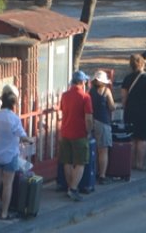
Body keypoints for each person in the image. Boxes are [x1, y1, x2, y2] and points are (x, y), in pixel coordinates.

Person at [0, 93, 30, 220]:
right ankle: (4, 212)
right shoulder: (14, 118)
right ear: (13, 104)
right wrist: (29, 140)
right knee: (7, 185)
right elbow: (22, 135)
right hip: (10, 155)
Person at [59, 71, 95, 199]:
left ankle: (70, 186)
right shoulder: (85, 97)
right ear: (82, 82)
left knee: (67, 162)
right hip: (79, 134)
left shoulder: (64, 95)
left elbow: (63, 111)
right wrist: (89, 131)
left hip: (65, 132)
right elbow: (89, 118)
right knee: (80, 162)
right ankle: (73, 188)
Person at [89, 70, 116, 183]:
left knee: (93, 149)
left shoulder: (91, 92)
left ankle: (92, 172)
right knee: (103, 150)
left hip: (92, 121)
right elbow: (112, 106)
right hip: (103, 122)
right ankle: (102, 175)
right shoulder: (106, 91)